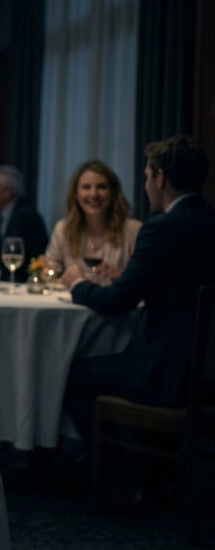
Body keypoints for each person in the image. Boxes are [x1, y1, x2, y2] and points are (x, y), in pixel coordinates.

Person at [61, 136, 215, 442]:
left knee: (73, 374)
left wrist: (77, 283)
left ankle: (113, 464)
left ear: (160, 178)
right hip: (207, 376)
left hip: (166, 376)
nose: (146, 185)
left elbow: (115, 303)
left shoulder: (159, 229)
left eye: (146, 176)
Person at [46, 160, 142, 286]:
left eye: (101, 187)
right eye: (86, 187)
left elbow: (144, 279)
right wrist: (46, 270)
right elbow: (50, 270)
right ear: (75, 193)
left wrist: (121, 277)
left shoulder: (134, 230)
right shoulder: (63, 229)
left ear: (113, 192)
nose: (93, 194)